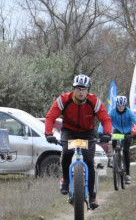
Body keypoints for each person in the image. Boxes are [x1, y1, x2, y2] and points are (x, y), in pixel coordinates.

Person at [44, 74, 112, 209]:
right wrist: (48, 133)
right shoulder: (63, 99)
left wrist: (107, 133)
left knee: (88, 160)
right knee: (67, 152)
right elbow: (50, 117)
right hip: (69, 131)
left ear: (88, 90)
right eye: (78, 89)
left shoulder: (94, 101)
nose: (81, 92)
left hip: (87, 133)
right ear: (73, 89)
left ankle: (92, 196)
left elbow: (106, 119)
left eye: (84, 89)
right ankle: (66, 180)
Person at [109, 96, 136, 184]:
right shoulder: (112, 111)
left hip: (127, 132)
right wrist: (101, 132)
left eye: (122, 106)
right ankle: (114, 156)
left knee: (126, 152)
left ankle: (127, 174)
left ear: (124, 105)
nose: (120, 108)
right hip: (117, 130)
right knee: (114, 140)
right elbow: (106, 120)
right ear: (116, 105)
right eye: (119, 106)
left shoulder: (129, 112)